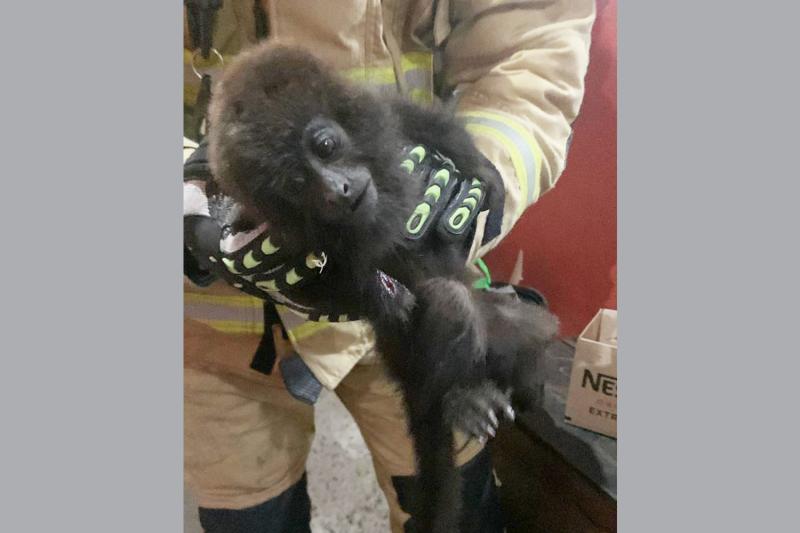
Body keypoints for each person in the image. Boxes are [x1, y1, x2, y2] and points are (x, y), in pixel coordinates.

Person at [183, 1, 595, 531]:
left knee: (455, 494)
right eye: (301, 181)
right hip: (212, 332)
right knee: (249, 514)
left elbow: (533, 42)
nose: (336, 187)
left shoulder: (381, 120)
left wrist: (489, 174)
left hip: (421, 286)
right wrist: (189, 208)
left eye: (326, 149)